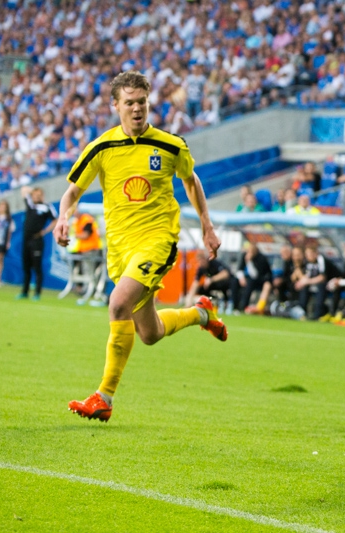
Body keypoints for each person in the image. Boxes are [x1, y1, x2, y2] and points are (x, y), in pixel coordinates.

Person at [54, 71, 226, 422]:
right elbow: (72, 191)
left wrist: (207, 225)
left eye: (142, 102)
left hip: (158, 240)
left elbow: (191, 181)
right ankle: (201, 313)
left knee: (117, 303)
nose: (136, 109)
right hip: (120, 250)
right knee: (149, 333)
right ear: (115, 105)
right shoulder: (101, 147)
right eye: (129, 103)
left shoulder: (170, 145)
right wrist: (62, 217)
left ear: (149, 103)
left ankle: (104, 397)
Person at [18, 186, 57, 300]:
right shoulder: (30, 203)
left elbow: (56, 219)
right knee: (26, 267)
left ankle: (37, 293)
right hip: (26, 239)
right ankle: (24, 292)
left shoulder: (46, 207)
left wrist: (44, 231)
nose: (36, 196)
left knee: (37, 267)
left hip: (37, 240)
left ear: (42, 196)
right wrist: (33, 192)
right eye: (35, 195)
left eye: (39, 195)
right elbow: (23, 190)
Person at [296, 245, 342, 320]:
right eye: (307, 254)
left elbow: (322, 277)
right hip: (318, 282)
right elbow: (308, 275)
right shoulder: (308, 262)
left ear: (315, 253)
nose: (308, 256)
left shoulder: (321, 259)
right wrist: (301, 282)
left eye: (310, 254)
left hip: (334, 281)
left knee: (321, 286)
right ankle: (302, 312)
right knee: (304, 287)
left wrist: (307, 282)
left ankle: (318, 314)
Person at [231, 241, 273, 314]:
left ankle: (243, 306)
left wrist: (249, 261)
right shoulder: (245, 255)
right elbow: (240, 269)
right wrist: (241, 278)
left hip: (261, 280)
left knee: (250, 282)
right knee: (234, 281)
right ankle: (234, 306)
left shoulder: (261, 258)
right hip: (250, 278)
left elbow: (255, 275)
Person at [0, 199, 14, 288]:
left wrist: (8, 242)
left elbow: (9, 232)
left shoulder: (9, 219)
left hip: (2, 241)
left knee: (0, 259)